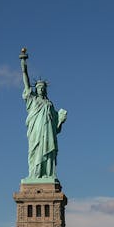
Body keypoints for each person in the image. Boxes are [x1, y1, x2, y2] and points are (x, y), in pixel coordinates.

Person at [20, 49, 67, 181]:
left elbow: (56, 128)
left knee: (48, 150)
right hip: (35, 130)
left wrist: (61, 120)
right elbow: (26, 80)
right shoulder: (32, 99)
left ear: (45, 89)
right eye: (38, 87)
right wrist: (23, 65)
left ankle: (48, 174)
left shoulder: (50, 104)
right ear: (36, 89)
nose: (40, 89)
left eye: (42, 87)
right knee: (35, 151)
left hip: (47, 132)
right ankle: (34, 175)